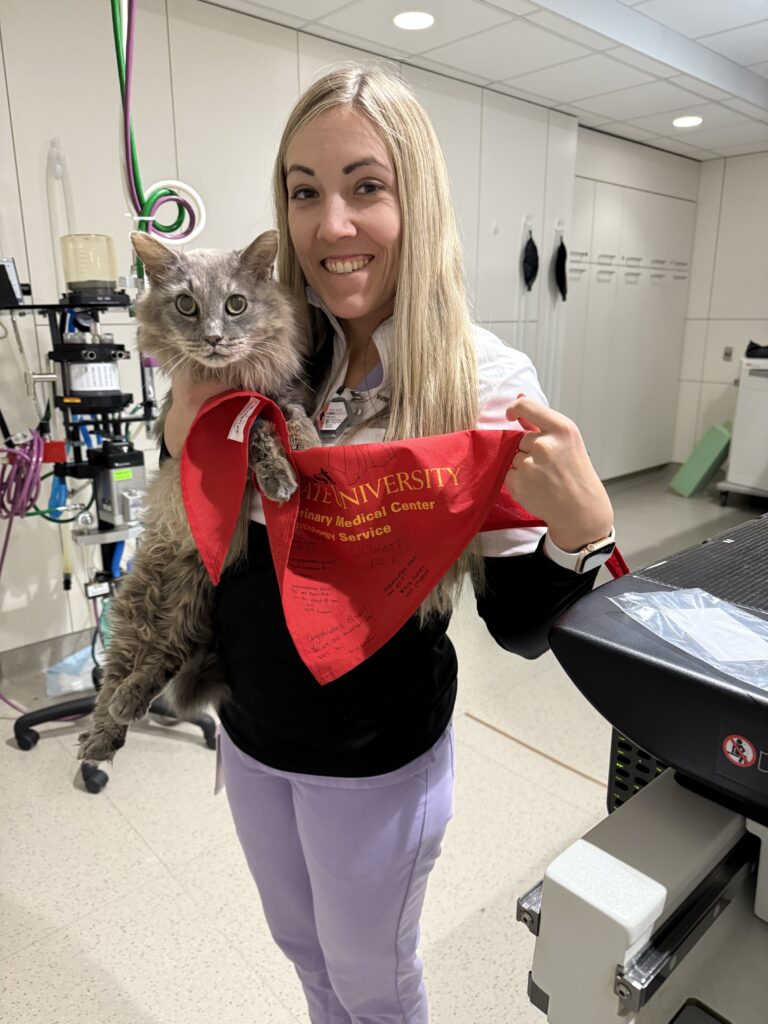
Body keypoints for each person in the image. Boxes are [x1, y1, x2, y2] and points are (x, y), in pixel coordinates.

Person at [162, 64, 614, 1024]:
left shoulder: (483, 382)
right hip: (250, 730)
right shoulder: (267, 344)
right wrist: (182, 444)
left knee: (372, 978)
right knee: (303, 954)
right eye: (304, 191)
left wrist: (585, 533)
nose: (332, 226)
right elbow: (215, 531)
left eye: (367, 186)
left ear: (420, 196)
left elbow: (520, 629)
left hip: (370, 757)